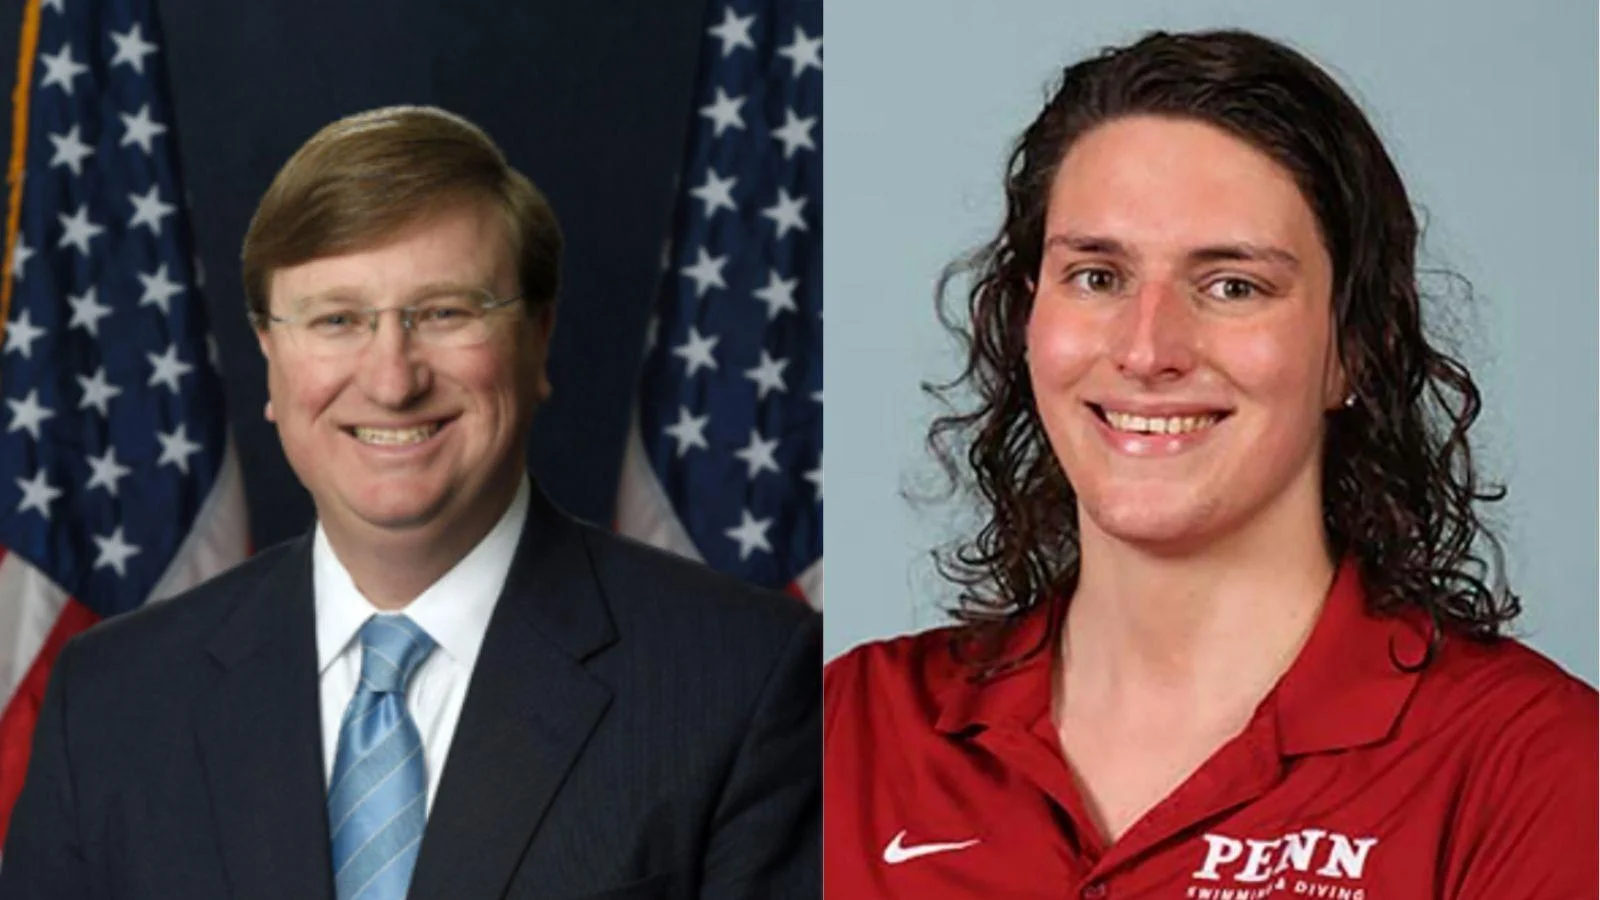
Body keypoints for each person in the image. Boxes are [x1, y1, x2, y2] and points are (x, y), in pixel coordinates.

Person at [824, 29, 1596, 898]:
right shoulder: (852, 729)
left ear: (1355, 351)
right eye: (1096, 276)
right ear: (1025, 320)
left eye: (1232, 285)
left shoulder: (1530, 765)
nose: (1148, 349)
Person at [1, 106, 820, 900]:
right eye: (337, 320)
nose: (393, 380)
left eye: (444, 313)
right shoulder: (110, 699)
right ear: (270, 359)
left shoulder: (740, 678)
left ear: (537, 338)